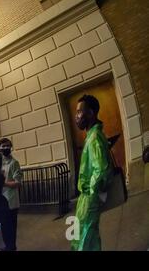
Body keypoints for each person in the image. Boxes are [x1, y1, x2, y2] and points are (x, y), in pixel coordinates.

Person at [71, 95, 114, 251]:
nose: (77, 117)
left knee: (84, 239)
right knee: (85, 236)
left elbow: (101, 169)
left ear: (90, 113)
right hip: (87, 198)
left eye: (79, 112)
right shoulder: (92, 135)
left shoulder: (94, 137)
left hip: (89, 199)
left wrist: (91, 192)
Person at [0, 138, 22, 251]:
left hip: (11, 200)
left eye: (8, 146)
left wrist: (3, 183)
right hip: (1, 200)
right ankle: (8, 246)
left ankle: (11, 247)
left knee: (11, 227)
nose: (6, 148)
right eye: (3, 146)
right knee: (4, 227)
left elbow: (17, 182)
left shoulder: (14, 163)